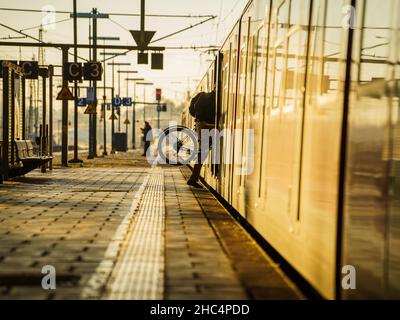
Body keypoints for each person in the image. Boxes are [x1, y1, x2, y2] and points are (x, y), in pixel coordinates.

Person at [187, 90, 216, 188]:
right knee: (203, 152)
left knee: (203, 152)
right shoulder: (206, 96)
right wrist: (201, 120)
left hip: (207, 125)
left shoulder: (212, 97)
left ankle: (193, 178)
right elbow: (197, 107)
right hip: (205, 126)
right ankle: (193, 178)